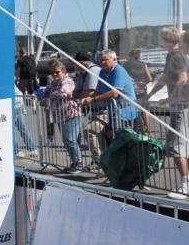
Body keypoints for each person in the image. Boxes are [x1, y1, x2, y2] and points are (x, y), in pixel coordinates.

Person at [146, 26, 189, 198]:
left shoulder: (175, 55)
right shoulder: (177, 55)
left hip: (181, 106)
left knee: (176, 145)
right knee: (183, 144)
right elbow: (164, 78)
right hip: (180, 104)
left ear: (166, 39)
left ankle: (186, 184)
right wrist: (153, 95)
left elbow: (182, 78)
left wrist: (173, 97)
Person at [81, 49, 138, 163]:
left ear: (114, 59)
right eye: (100, 60)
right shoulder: (102, 72)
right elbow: (99, 90)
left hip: (125, 111)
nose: (102, 63)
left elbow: (114, 92)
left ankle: (122, 164)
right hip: (112, 111)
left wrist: (93, 99)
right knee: (101, 134)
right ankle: (104, 161)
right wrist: (85, 97)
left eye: (105, 60)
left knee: (118, 138)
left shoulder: (119, 71)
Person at [44, 59, 83, 172]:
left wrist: (50, 93)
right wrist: (43, 92)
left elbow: (64, 92)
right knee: (66, 141)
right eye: (53, 73)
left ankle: (79, 163)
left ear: (63, 71)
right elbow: (47, 91)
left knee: (71, 140)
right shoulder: (53, 82)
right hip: (60, 115)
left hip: (71, 114)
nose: (55, 74)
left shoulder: (67, 81)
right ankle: (74, 162)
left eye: (57, 72)